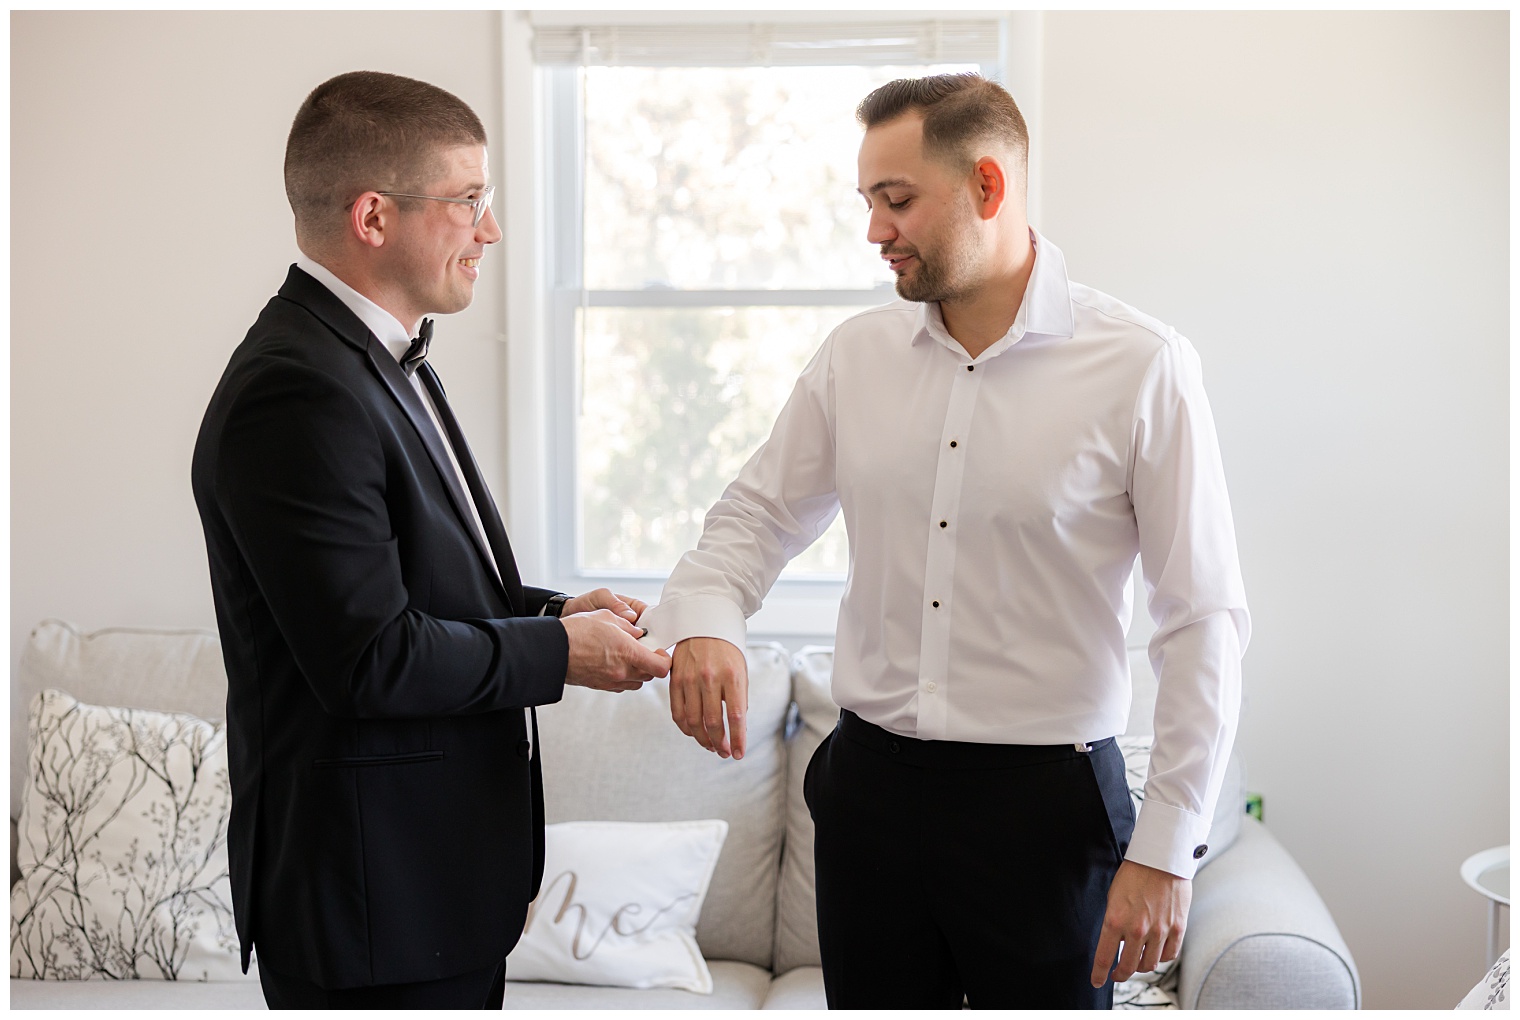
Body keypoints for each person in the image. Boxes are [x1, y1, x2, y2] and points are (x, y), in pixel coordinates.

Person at [639, 73, 1249, 1008]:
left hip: (1047, 815)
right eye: (869, 202)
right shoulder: (856, 357)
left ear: (989, 188)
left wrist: (1167, 850)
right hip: (869, 798)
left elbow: (1201, 618)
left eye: (898, 200)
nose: (875, 230)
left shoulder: (1141, 367)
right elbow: (755, 518)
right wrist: (707, 616)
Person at [191, 71, 670, 1009]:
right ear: (374, 217)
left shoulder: (376, 355)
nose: (489, 231)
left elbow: (420, 596)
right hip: (372, 904)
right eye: (468, 201)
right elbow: (370, 660)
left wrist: (554, 610)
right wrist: (559, 652)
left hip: (429, 890)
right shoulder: (298, 392)